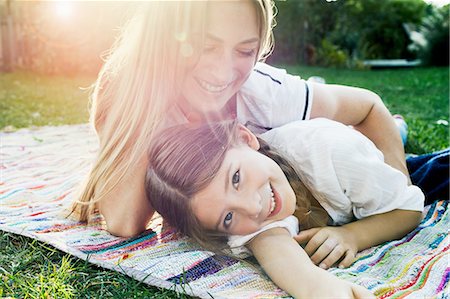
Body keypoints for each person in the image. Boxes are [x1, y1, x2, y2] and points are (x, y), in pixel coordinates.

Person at [72, 0, 411, 237]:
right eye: (205, 46)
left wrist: (400, 191)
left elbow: (368, 106)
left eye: (245, 51)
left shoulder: (263, 90)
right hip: (293, 153)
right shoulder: (129, 91)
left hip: (324, 147)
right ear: (165, 40)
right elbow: (124, 221)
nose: (223, 72)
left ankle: (400, 129)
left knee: (382, 144)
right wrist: (152, 93)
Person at [145, 118, 424, 298]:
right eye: (228, 217)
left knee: (409, 148)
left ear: (246, 139)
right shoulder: (235, 212)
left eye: (236, 178)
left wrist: (352, 235)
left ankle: (398, 123)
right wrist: (323, 290)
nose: (253, 207)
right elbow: (277, 249)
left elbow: (409, 209)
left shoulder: (334, 152)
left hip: (359, 145)